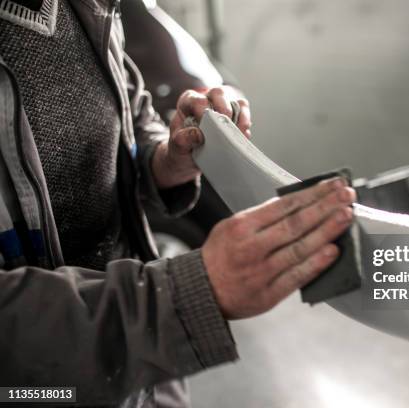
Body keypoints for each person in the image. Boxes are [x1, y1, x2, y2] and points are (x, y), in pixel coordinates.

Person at [0, 0, 356, 406]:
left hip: (141, 373)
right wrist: (180, 296)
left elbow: (130, 125)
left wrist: (168, 159)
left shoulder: (88, 7)